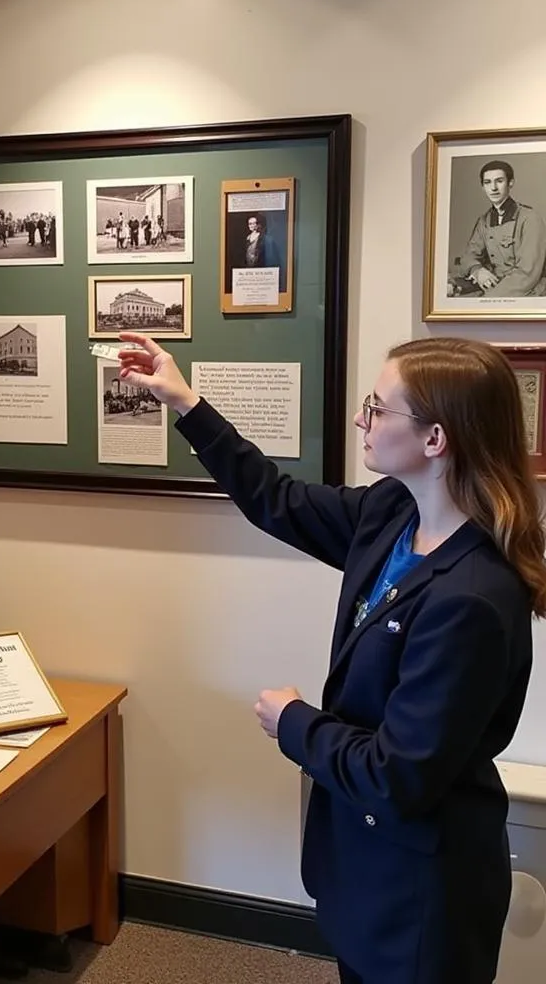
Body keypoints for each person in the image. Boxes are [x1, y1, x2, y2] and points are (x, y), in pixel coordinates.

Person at [116, 331, 546, 984]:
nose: (359, 420)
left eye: (377, 409)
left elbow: (398, 775)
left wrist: (293, 722)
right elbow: (275, 499)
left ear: (436, 440)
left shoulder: (473, 599)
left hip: (423, 887)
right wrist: (186, 403)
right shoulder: (394, 515)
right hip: (368, 861)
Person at [456, 159, 546, 297]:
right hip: (494, 284)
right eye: (487, 182)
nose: (493, 188)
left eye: (499, 181)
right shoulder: (484, 221)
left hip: (526, 292)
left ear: (510, 183)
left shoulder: (530, 218)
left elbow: (527, 274)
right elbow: (468, 256)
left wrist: (490, 299)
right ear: (482, 187)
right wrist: (477, 270)